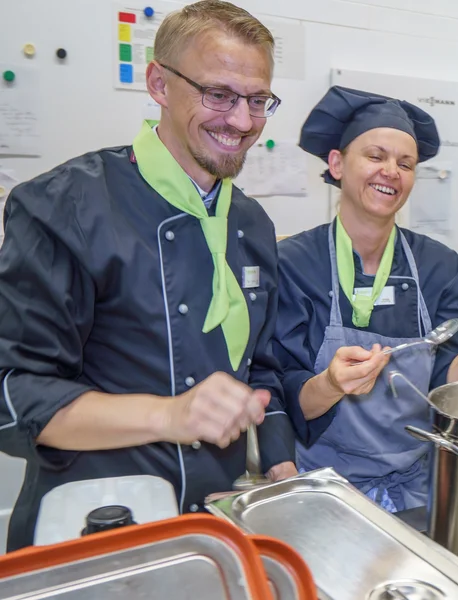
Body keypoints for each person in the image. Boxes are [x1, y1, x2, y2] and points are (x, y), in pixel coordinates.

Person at [0, 0, 297, 552]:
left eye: (258, 101)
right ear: (159, 83)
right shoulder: (63, 206)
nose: (241, 121)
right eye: (219, 95)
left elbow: (263, 367)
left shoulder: (251, 223)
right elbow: (15, 393)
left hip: (211, 525)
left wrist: (280, 464)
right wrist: (170, 415)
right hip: (96, 527)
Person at [274, 85, 458, 513]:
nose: (391, 171)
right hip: (323, 488)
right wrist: (330, 384)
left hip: (417, 488)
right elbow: (282, 392)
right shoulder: (293, 262)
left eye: (405, 164)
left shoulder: (438, 265)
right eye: (375, 156)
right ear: (337, 164)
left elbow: (452, 389)